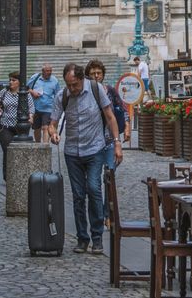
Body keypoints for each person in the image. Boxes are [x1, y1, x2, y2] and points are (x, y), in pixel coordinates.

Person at [57, 63, 122, 255]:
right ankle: (82, 239)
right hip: (72, 152)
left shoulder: (96, 89)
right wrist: (53, 133)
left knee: (94, 188)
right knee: (78, 195)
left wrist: (117, 143)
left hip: (95, 149)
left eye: (75, 85)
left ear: (81, 80)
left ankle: (97, 237)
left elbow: (110, 117)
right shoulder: (63, 95)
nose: (72, 89)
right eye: (69, 85)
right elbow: (52, 122)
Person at [86, 59, 121, 168]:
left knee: (111, 169)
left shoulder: (110, 90)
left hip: (109, 139)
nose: (96, 76)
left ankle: (108, 184)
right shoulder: (85, 93)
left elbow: (121, 108)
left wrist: (127, 126)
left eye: (99, 73)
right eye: (92, 73)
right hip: (91, 141)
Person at [29, 63, 65, 144]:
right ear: (42, 71)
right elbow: (26, 88)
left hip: (48, 108)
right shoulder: (35, 78)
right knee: (37, 129)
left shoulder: (54, 80)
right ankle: (38, 145)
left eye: (50, 71)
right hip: (36, 108)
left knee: (46, 128)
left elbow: (57, 95)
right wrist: (33, 92)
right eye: (47, 71)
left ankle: (45, 147)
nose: (49, 72)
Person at [0, 70, 24, 156]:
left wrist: (31, 117)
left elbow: (31, 108)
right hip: (5, 126)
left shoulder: (24, 93)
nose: (10, 82)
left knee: (18, 154)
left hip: (20, 127)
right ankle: (6, 170)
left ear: (19, 82)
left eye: (13, 80)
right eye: (10, 80)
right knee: (7, 152)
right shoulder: (5, 91)